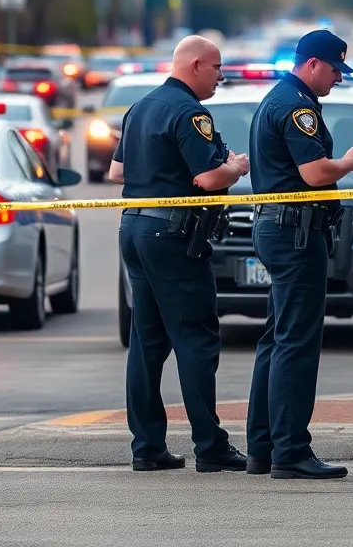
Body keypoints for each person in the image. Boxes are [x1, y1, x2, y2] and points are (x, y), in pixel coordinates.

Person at [109, 35, 250, 474]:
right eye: (216, 68)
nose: (220, 76)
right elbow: (209, 178)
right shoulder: (190, 112)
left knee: (147, 343)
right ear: (193, 65)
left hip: (135, 226)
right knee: (196, 339)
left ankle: (147, 446)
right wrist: (236, 167)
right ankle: (210, 445)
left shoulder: (140, 106)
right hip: (172, 235)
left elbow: (117, 172)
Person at [244, 30, 353, 480]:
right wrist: (350, 163)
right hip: (296, 232)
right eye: (335, 69)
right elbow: (315, 173)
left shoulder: (279, 98)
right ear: (313, 64)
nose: (337, 78)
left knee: (276, 339)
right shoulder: (297, 107)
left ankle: (263, 446)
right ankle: (291, 450)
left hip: (279, 227)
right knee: (296, 341)